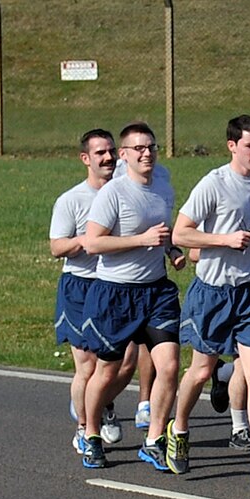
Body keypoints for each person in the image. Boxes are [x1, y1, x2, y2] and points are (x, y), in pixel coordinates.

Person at [167, 116, 250, 474]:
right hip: (213, 291)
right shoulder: (214, 184)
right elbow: (181, 234)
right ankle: (180, 428)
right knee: (202, 369)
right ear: (232, 146)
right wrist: (224, 239)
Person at [79, 122, 185, 470]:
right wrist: (141, 240)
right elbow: (93, 243)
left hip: (156, 291)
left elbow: (162, 233)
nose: (146, 153)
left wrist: (171, 251)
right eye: (137, 148)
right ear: (123, 155)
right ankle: (90, 433)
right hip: (115, 292)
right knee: (108, 371)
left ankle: (154, 439)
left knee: (168, 366)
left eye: (151, 147)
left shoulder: (163, 186)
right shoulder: (113, 193)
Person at [50, 129, 122, 458]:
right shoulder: (72, 199)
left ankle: (102, 401)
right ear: (86, 159)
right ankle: (84, 427)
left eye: (111, 151)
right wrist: (88, 239)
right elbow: (56, 247)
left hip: (117, 286)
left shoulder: (126, 192)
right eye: (100, 153)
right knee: (87, 365)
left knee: (124, 362)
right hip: (81, 286)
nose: (108, 158)